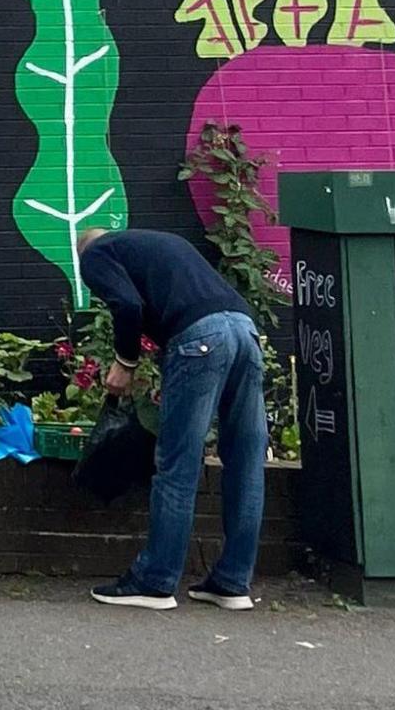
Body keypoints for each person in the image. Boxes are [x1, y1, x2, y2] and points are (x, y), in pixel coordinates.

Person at [76, 228, 265, 612]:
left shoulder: (96, 254)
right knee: (246, 459)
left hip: (199, 338)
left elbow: (127, 306)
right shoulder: (162, 242)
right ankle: (232, 582)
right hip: (244, 330)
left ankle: (156, 580)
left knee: (178, 462)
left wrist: (125, 363)